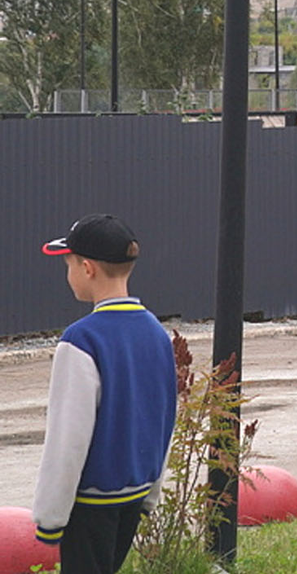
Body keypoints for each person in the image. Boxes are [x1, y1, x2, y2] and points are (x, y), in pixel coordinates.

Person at [34, 215, 178, 574]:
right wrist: (151, 493)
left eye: (67, 264)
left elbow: (68, 437)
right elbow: (164, 417)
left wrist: (50, 518)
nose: (68, 274)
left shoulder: (81, 340)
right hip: (134, 495)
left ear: (86, 268)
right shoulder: (157, 334)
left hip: (90, 503)